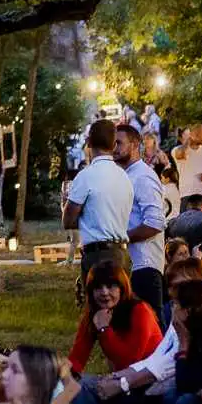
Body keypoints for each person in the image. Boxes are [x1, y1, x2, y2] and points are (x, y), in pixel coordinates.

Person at [63, 119, 134, 301]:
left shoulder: (85, 176)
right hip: (122, 252)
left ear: (89, 143)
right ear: (113, 145)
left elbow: (68, 221)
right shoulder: (124, 177)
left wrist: (73, 209)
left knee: (97, 310)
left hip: (97, 255)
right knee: (122, 310)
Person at [67, 261, 163, 379]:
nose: (104, 292)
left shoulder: (140, 311)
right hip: (122, 380)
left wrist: (104, 329)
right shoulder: (95, 314)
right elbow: (77, 357)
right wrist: (62, 380)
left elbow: (128, 363)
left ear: (122, 288)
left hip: (151, 379)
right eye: (98, 287)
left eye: (110, 286)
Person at [114, 122, 170, 323]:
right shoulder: (125, 175)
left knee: (151, 327)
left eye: (119, 143)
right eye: (112, 143)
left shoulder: (144, 176)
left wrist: (120, 239)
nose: (114, 148)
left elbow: (155, 223)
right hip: (130, 264)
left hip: (145, 265)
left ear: (135, 144)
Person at [172, 125, 202, 214]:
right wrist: (190, 139)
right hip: (187, 196)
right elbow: (179, 154)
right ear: (195, 135)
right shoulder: (176, 150)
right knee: (187, 222)